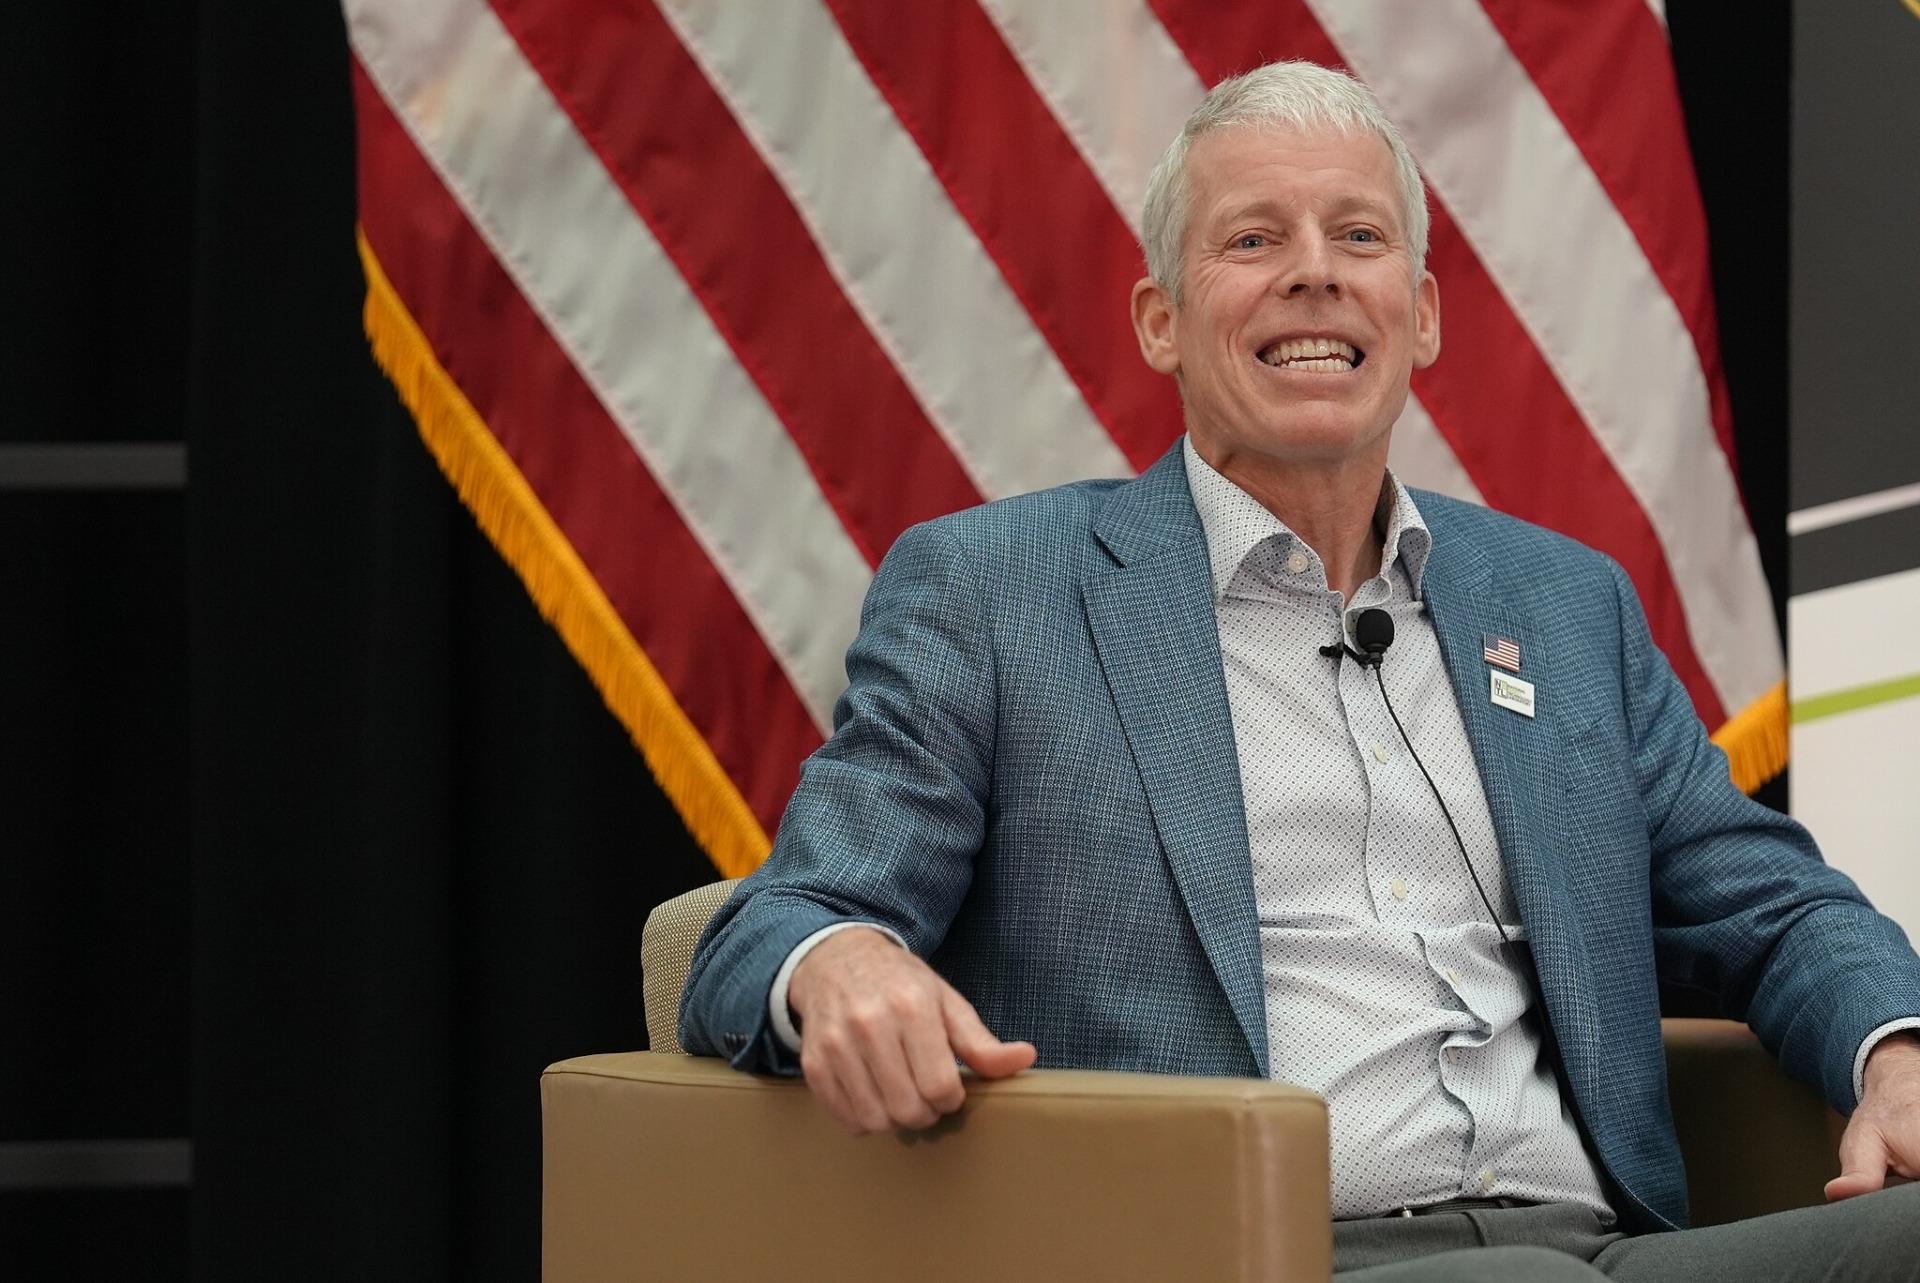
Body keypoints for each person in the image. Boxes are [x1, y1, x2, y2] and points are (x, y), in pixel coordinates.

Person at [679, 60, 1920, 1279]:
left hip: (1602, 1247)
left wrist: (1896, 1051)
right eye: (1254, 238)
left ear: (1420, 315)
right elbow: (775, 925)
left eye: (1359, 235)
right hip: (1247, 1254)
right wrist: (837, 961)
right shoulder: (995, 593)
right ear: (1161, 321)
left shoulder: (1563, 605)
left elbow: (1772, 905)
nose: (1315, 271)